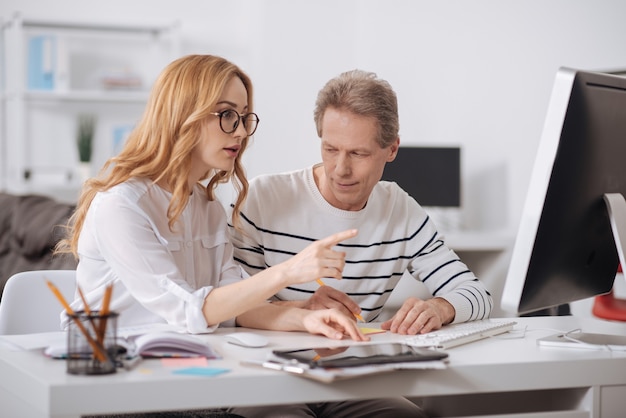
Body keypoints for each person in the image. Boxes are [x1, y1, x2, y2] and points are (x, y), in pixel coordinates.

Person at [227, 69, 494, 418]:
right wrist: (302, 311)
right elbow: (229, 307)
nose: (341, 169)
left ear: (392, 149)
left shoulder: (400, 210)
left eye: (359, 153)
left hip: (352, 382)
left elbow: (477, 295)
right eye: (330, 148)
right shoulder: (261, 198)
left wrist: (439, 308)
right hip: (267, 376)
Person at [54, 54, 368, 345]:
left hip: (183, 369)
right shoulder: (122, 205)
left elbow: (233, 307)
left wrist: (306, 316)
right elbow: (188, 309)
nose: (242, 132)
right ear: (183, 115)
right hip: (111, 374)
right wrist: (287, 272)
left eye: (244, 117)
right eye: (228, 114)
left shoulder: (207, 206)